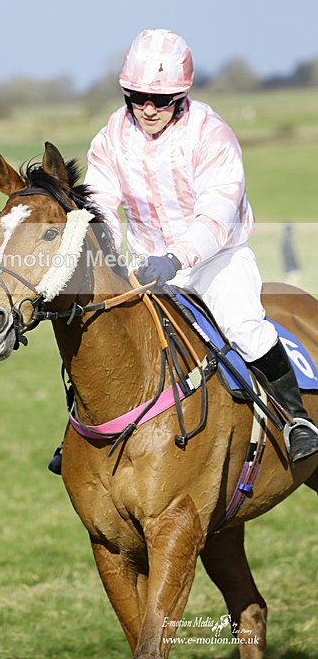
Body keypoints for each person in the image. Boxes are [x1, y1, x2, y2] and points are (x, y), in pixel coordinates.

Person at [80, 28, 318, 465]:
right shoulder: (111, 136)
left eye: (162, 99)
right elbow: (98, 204)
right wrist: (110, 257)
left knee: (243, 326)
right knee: (107, 333)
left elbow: (216, 214)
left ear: (183, 95)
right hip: (147, 265)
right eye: (137, 96)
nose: (148, 108)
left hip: (216, 260)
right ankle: (85, 438)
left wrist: (175, 259)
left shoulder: (211, 134)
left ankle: (296, 419)